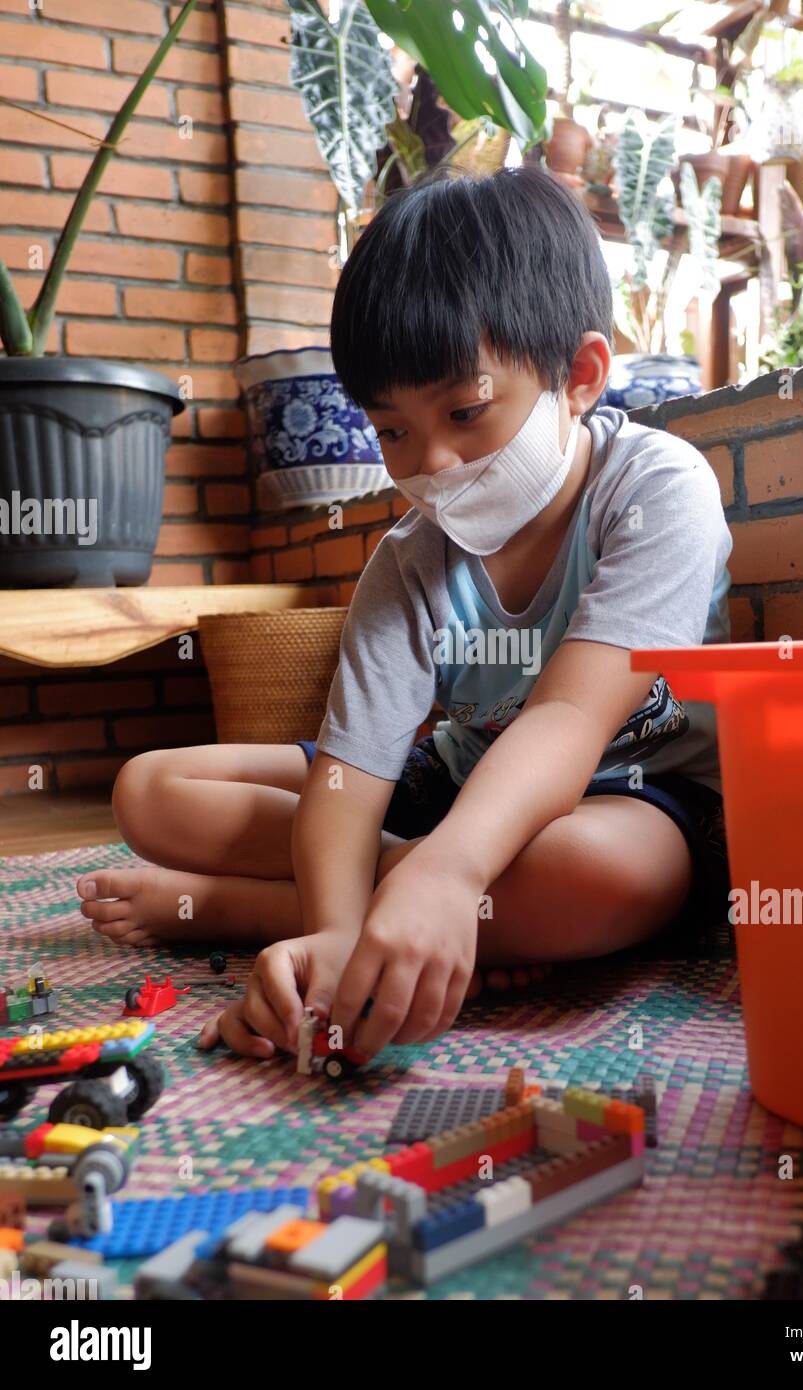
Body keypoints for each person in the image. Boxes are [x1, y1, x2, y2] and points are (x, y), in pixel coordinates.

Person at [76, 164, 732, 1064]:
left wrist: (451, 869)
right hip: (451, 785)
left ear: (579, 376)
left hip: (630, 797)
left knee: (602, 877)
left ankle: (247, 904)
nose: (431, 461)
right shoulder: (409, 560)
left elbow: (573, 717)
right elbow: (351, 777)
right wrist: (339, 941)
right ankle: (402, 915)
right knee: (152, 791)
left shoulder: (658, 489)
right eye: (391, 431)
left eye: (466, 411)